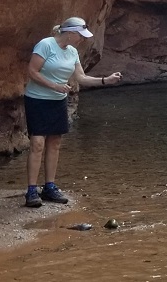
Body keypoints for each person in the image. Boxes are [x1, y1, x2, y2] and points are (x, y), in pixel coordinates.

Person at [23, 16, 122, 207]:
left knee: (55, 143)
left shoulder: (73, 52)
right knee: (37, 143)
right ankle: (31, 191)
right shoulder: (46, 45)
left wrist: (106, 80)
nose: (82, 39)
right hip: (37, 100)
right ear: (69, 33)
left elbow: (81, 78)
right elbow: (32, 71)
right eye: (80, 35)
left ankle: (50, 187)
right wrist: (54, 86)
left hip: (58, 101)